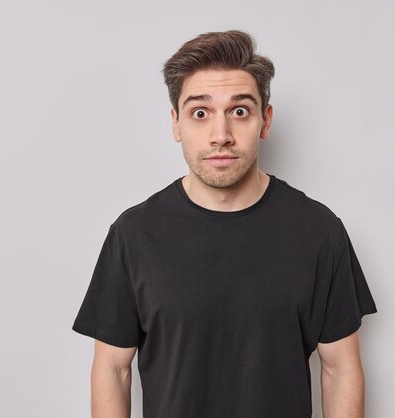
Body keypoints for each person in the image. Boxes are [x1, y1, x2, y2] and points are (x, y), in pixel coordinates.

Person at [72, 29, 377, 418]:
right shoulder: (133, 235)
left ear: (265, 121)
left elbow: (340, 368)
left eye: (239, 111)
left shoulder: (319, 231)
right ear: (176, 123)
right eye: (200, 113)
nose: (221, 136)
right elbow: (113, 370)